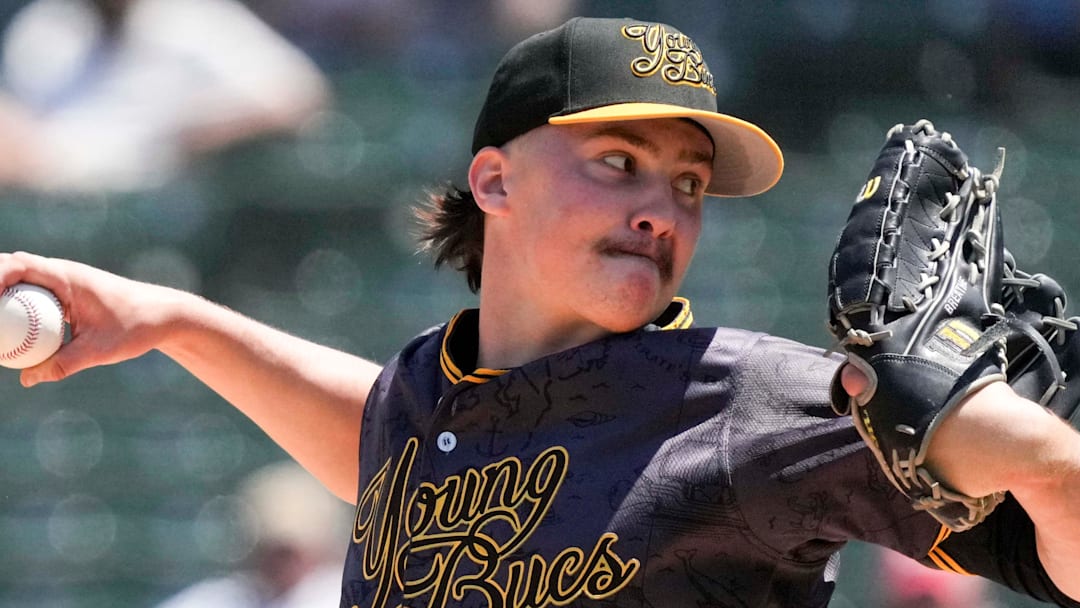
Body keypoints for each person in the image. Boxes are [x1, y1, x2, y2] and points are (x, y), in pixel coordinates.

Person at [2, 16, 1080, 608]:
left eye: (689, 185)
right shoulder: (430, 396)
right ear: (494, 180)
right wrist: (175, 320)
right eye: (619, 163)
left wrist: (1040, 458)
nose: (661, 207)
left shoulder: (751, 402)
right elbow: (381, 441)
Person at [0, 0, 328, 193]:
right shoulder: (49, 23)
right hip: (46, 193)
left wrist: (188, 134)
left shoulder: (193, 18)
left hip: (157, 202)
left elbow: (297, 95)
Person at [153, 460, 353, 608]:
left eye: (290, 553)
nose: (281, 566)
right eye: (271, 551)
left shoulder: (338, 593)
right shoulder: (222, 597)